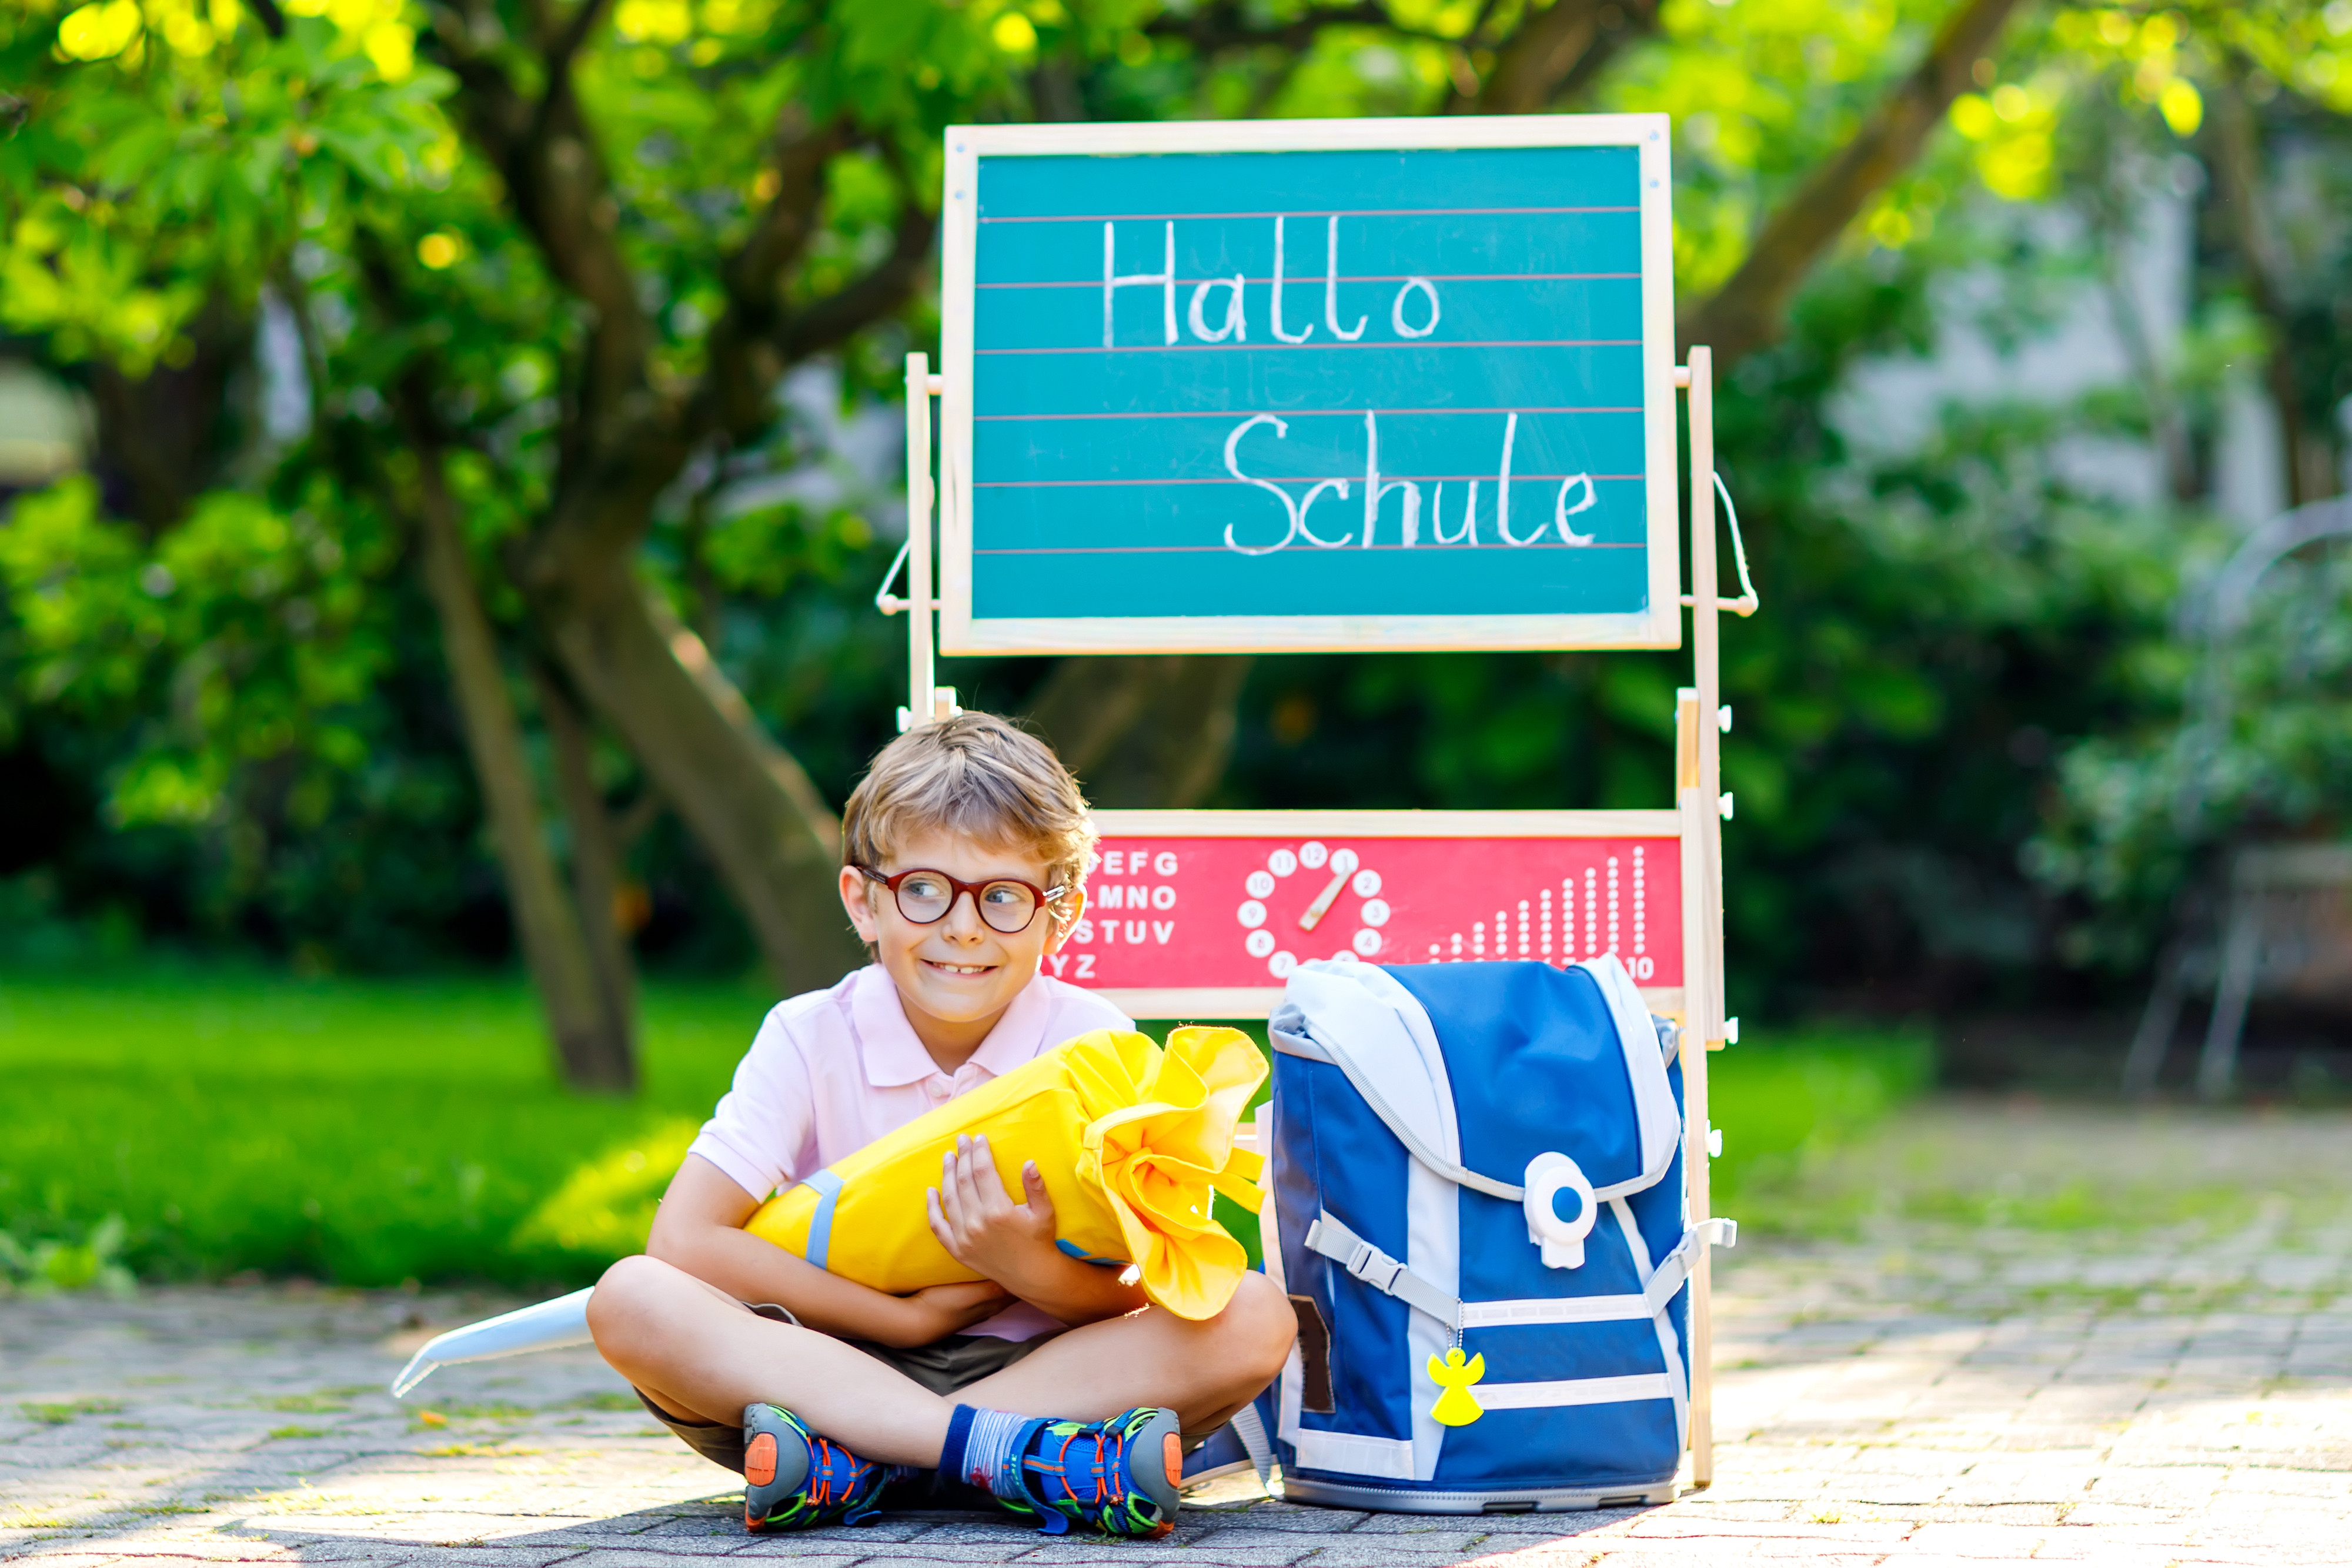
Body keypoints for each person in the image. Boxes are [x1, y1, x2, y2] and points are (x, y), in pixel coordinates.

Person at [586, 712, 1295, 1539]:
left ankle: (861, 1466)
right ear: (865, 901)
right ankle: (1025, 1463)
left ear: (1058, 919)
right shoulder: (809, 1033)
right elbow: (685, 1241)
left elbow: (1149, 1287)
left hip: (1043, 1371)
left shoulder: (1094, 1043)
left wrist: (1027, 1267)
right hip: (829, 1363)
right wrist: (902, 1321)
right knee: (629, 1298)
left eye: (1003, 898)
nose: (962, 927)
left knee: (1252, 1317)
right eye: (925, 890)